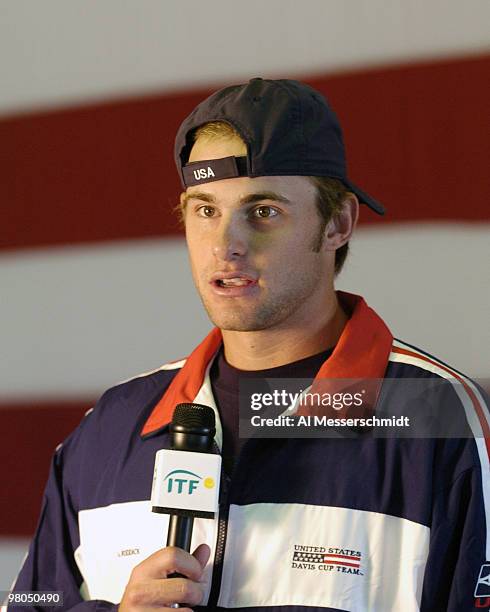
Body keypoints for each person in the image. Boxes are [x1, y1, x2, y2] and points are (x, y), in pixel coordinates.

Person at [7, 78, 489, 611]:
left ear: (338, 223)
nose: (225, 245)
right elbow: (32, 599)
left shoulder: (439, 420)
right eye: (205, 209)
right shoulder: (110, 427)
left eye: (263, 212)